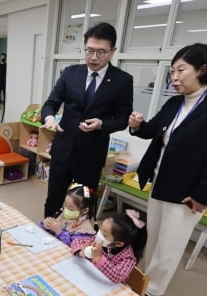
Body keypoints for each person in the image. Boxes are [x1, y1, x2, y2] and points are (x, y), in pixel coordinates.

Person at [128, 43, 207, 296]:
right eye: (171, 71)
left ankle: (153, 289)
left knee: (170, 243)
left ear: (203, 69)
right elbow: (153, 130)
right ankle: (143, 277)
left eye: (180, 70)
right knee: (153, 235)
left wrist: (203, 196)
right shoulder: (175, 103)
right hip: (160, 182)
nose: (173, 77)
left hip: (189, 191)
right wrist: (137, 125)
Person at [40, 22, 133, 218]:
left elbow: (123, 118)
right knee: (54, 200)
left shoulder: (123, 80)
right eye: (89, 50)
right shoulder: (71, 73)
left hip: (91, 154)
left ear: (112, 51)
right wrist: (49, 117)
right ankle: (49, 235)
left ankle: (78, 243)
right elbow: (50, 103)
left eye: (101, 52)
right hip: (63, 149)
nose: (93, 57)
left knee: (84, 204)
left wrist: (102, 124)